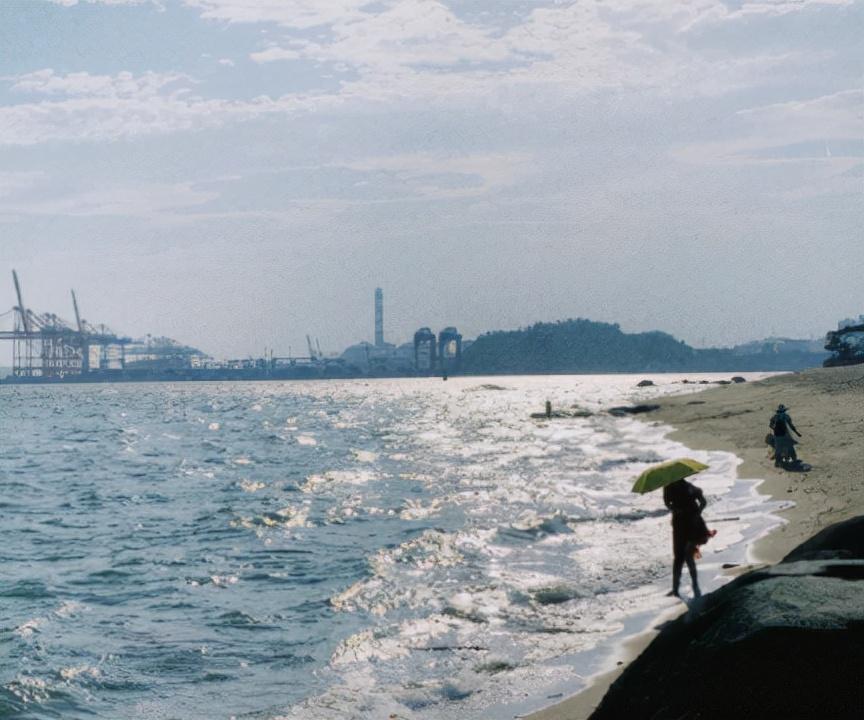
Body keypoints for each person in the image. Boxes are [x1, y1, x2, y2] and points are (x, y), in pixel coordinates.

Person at [663, 479, 715, 599]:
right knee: (680, 557)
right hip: (684, 524)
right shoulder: (681, 486)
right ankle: (679, 588)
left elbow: (668, 504)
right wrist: (696, 512)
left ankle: (688, 586)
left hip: (690, 525)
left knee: (684, 556)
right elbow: (702, 502)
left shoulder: (673, 486)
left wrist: (677, 510)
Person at [770, 404, 802, 468]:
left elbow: (771, 425)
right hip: (785, 434)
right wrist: (797, 433)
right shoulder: (786, 416)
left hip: (777, 435)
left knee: (778, 449)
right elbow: (791, 426)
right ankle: (794, 460)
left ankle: (777, 462)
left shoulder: (774, 417)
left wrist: (774, 429)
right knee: (790, 446)